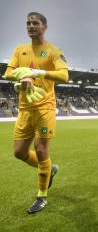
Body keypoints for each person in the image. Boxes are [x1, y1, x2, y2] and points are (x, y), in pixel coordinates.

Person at [4, 12, 69, 214]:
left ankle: (41, 196)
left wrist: (37, 73)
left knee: (41, 151)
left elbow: (64, 75)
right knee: (19, 153)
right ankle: (50, 171)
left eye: (35, 23)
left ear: (45, 27)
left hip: (44, 107)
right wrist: (22, 76)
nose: (31, 26)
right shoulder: (20, 50)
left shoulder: (53, 51)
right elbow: (8, 72)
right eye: (28, 23)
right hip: (25, 108)